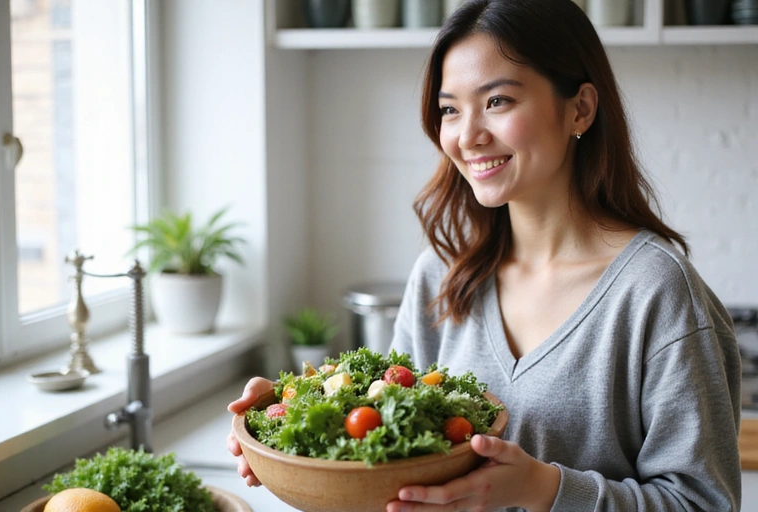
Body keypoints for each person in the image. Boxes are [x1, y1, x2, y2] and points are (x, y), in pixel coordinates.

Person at [227, 0, 743, 510]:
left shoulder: (658, 294)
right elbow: (390, 448)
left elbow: (703, 503)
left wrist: (543, 488)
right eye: (450, 109)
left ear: (580, 108)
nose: (467, 136)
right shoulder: (441, 274)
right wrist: (294, 419)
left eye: (497, 102)